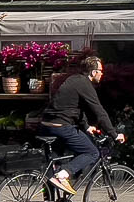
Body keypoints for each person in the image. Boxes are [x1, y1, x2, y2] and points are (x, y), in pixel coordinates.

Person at [39, 56, 124, 195]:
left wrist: (86, 126)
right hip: (62, 127)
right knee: (92, 152)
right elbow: (99, 112)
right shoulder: (85, 84)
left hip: (46, 126)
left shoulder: (73, 80)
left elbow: (76, 108)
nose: (102, 73)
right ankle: (63, 175)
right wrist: (114, 134)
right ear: (93, 72)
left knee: (54, 168)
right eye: (100, 70)